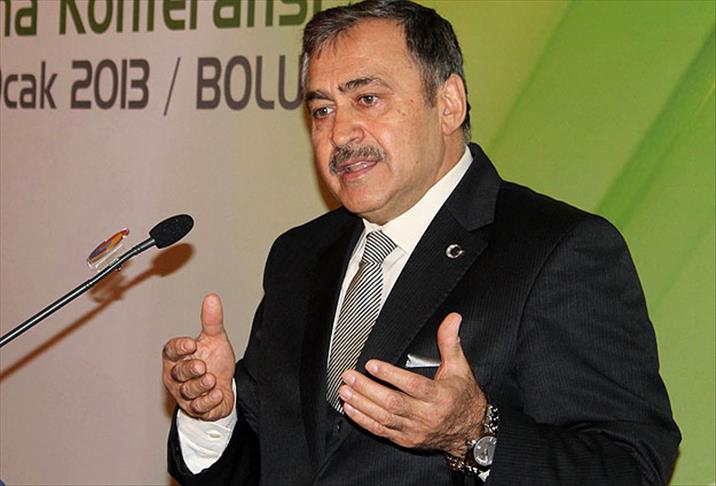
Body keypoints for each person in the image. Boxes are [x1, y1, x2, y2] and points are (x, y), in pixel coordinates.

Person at [162, 1, 680, 484]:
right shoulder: (298, 256)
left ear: (448, 103)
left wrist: (474, 433)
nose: (340, 133)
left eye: (367, 99)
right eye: (322, 110)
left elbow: (632, 465)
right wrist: (214, 417)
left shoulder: (557, 250)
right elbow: (280, 462)